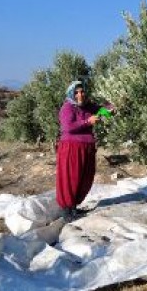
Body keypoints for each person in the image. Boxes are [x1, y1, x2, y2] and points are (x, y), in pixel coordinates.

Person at [56, 80, 102, 222]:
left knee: (84, 178)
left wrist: (111, 109)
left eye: (82, 91)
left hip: (87, 147)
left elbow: (101, 110)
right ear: (71, 93)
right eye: (76, 92)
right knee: (71, 178)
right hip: (71, 147)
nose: (79, 95)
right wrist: (88, 122)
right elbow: (67, 127)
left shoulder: (88, 106)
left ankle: (74, 207)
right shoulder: (67, 108)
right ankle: (67, 211)